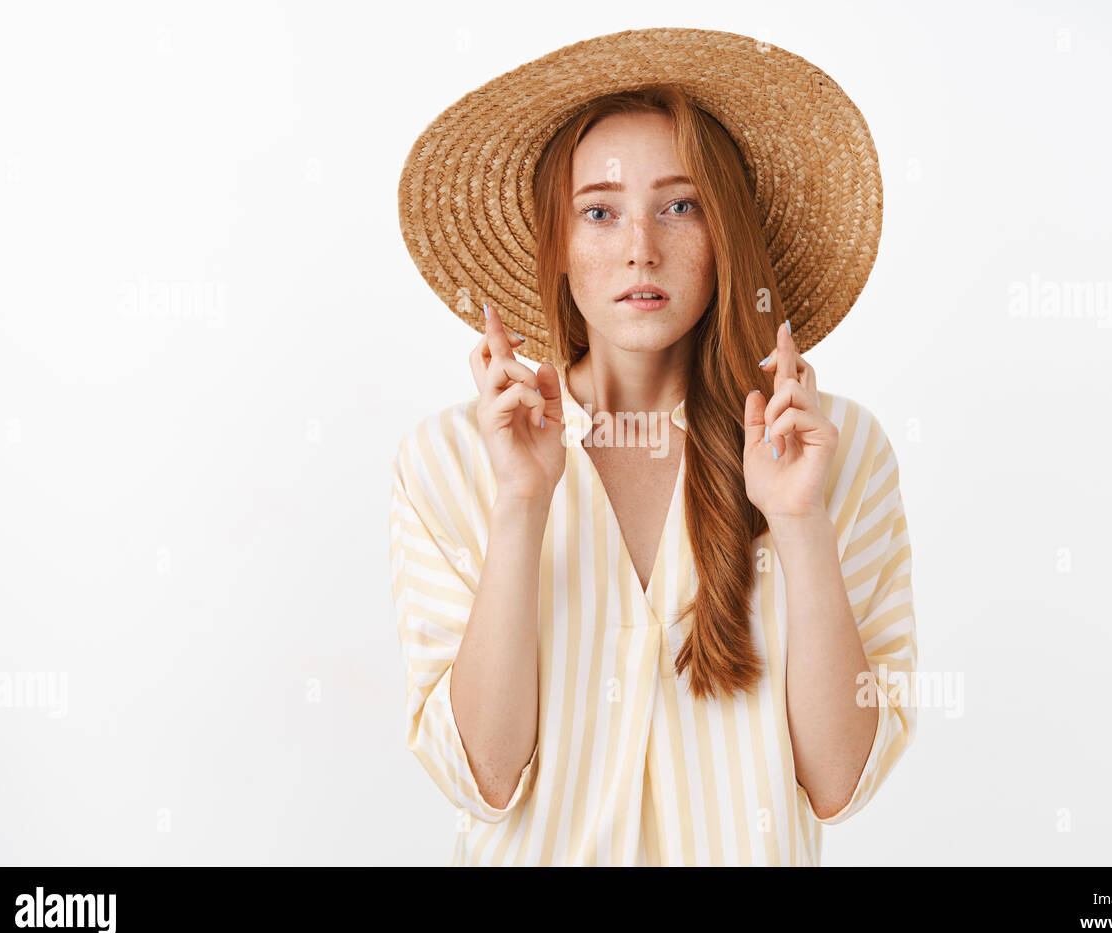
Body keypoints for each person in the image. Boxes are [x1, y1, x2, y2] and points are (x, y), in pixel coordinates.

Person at [391, 29, 917, 865]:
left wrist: (800, 521)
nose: (641, 246)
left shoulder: (832, 451)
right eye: (599, 212)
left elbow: (840, 779)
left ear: (726, 235)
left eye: (681, 204)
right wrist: (522, 506)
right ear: (558, 248)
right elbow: (484, 777)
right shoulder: (450, 460)